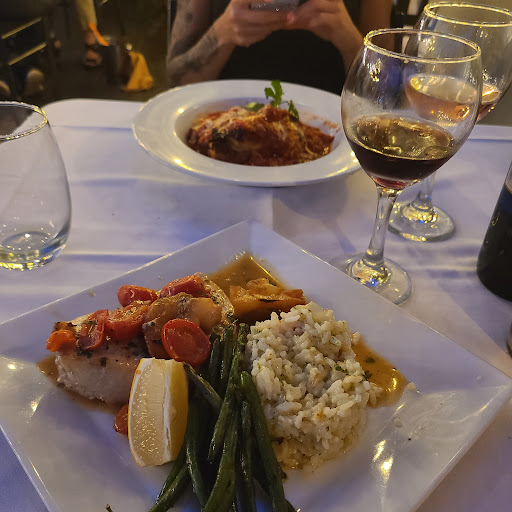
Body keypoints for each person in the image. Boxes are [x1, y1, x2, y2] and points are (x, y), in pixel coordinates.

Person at [166, 0, 393, 94]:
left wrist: (349, 41)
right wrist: (222, 34)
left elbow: (389, 95)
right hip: (220, 133)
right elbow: (175, 82)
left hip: (334, 147)